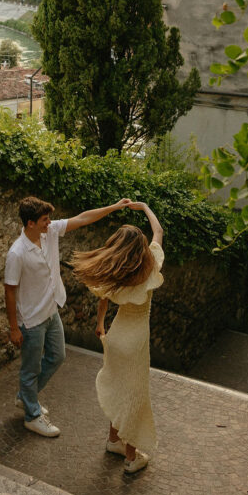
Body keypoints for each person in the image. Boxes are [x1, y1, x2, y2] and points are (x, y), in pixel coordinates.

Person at [4, 193, 134, 438]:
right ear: (30, 223)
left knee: (57, 356)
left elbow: (83, 218)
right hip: (31, 320)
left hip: (51, 311)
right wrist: (14, 327)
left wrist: (115, 207)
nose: (49, 223)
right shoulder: (17, 253)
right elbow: (9, 291)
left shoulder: (50, 232)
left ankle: (26, 397)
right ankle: (32, 415)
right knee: (29, 370)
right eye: (44, 219)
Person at [71, 201, 164, 474]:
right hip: (136, 342)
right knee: (135, 395)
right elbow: (158, 231)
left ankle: (114, 441)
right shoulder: (151, 264)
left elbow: (103, 301)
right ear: (142, 247)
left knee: (119, 388)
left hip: (116, 334)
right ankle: (132, 457)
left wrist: (101, 325)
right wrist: (145, 207)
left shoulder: (116, 274)